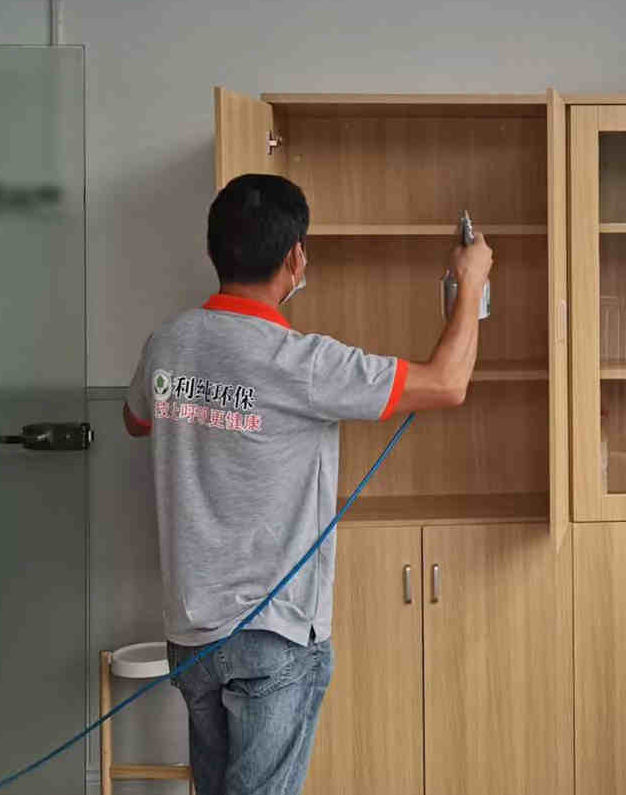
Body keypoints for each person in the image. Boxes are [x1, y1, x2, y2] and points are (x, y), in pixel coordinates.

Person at [122, 173, 492, 795]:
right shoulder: (303, 363)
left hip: (191, 637)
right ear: (295, 258)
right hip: (273, 636)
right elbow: (448, 382)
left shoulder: (168, 344)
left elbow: (135, 420)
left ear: (214, 249)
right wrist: (472, 281)